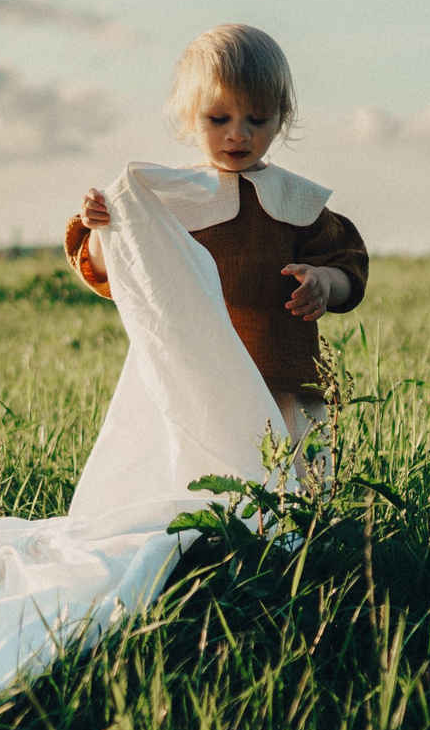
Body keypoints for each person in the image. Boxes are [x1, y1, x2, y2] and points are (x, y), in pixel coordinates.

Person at [65, 23, 368, 461]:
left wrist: (325, 281)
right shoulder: (172, 197)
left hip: (282, 378)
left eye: (257, 119)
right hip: (199, 384)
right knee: (211, 476)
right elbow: (121, 269)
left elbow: (349, 265)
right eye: (219, 119)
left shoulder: (296, 200)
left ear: (282, 117)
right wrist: (101, 230)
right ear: (190, 117)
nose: (238, 134)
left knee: (295, 479)